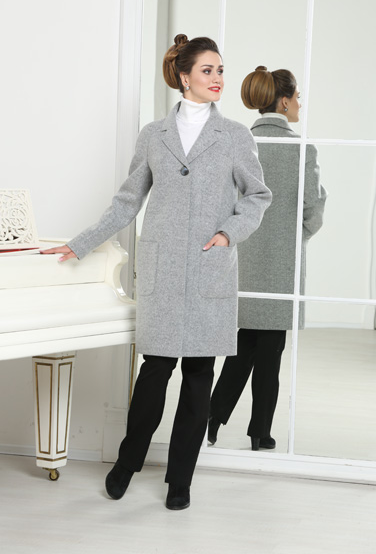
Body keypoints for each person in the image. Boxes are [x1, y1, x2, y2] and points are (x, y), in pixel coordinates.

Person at [41, 38, 272, 509]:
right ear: (184, 76)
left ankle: (180, 480)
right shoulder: (153, 135)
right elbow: (128, 200)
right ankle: (127, 462)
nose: (218, 78)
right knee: (155, 371)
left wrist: (228, 234)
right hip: (163, 269)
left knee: (199, 375)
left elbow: (257, 195)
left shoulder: (234, 135)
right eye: (207, 70)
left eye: (220, 70)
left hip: (209, 268)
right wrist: (80, 242)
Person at [208, 66, 327, 451]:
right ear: (285, 101)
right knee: (271, 350)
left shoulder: (238, 142)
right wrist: (292, 240)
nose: (300, 105)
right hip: (281, 264)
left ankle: (213, 414)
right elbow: (313, 211)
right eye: (298, 98)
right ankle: (260, 432)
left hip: (241, 257)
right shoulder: (301, 148)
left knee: (245, 341)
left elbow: (220, 203)